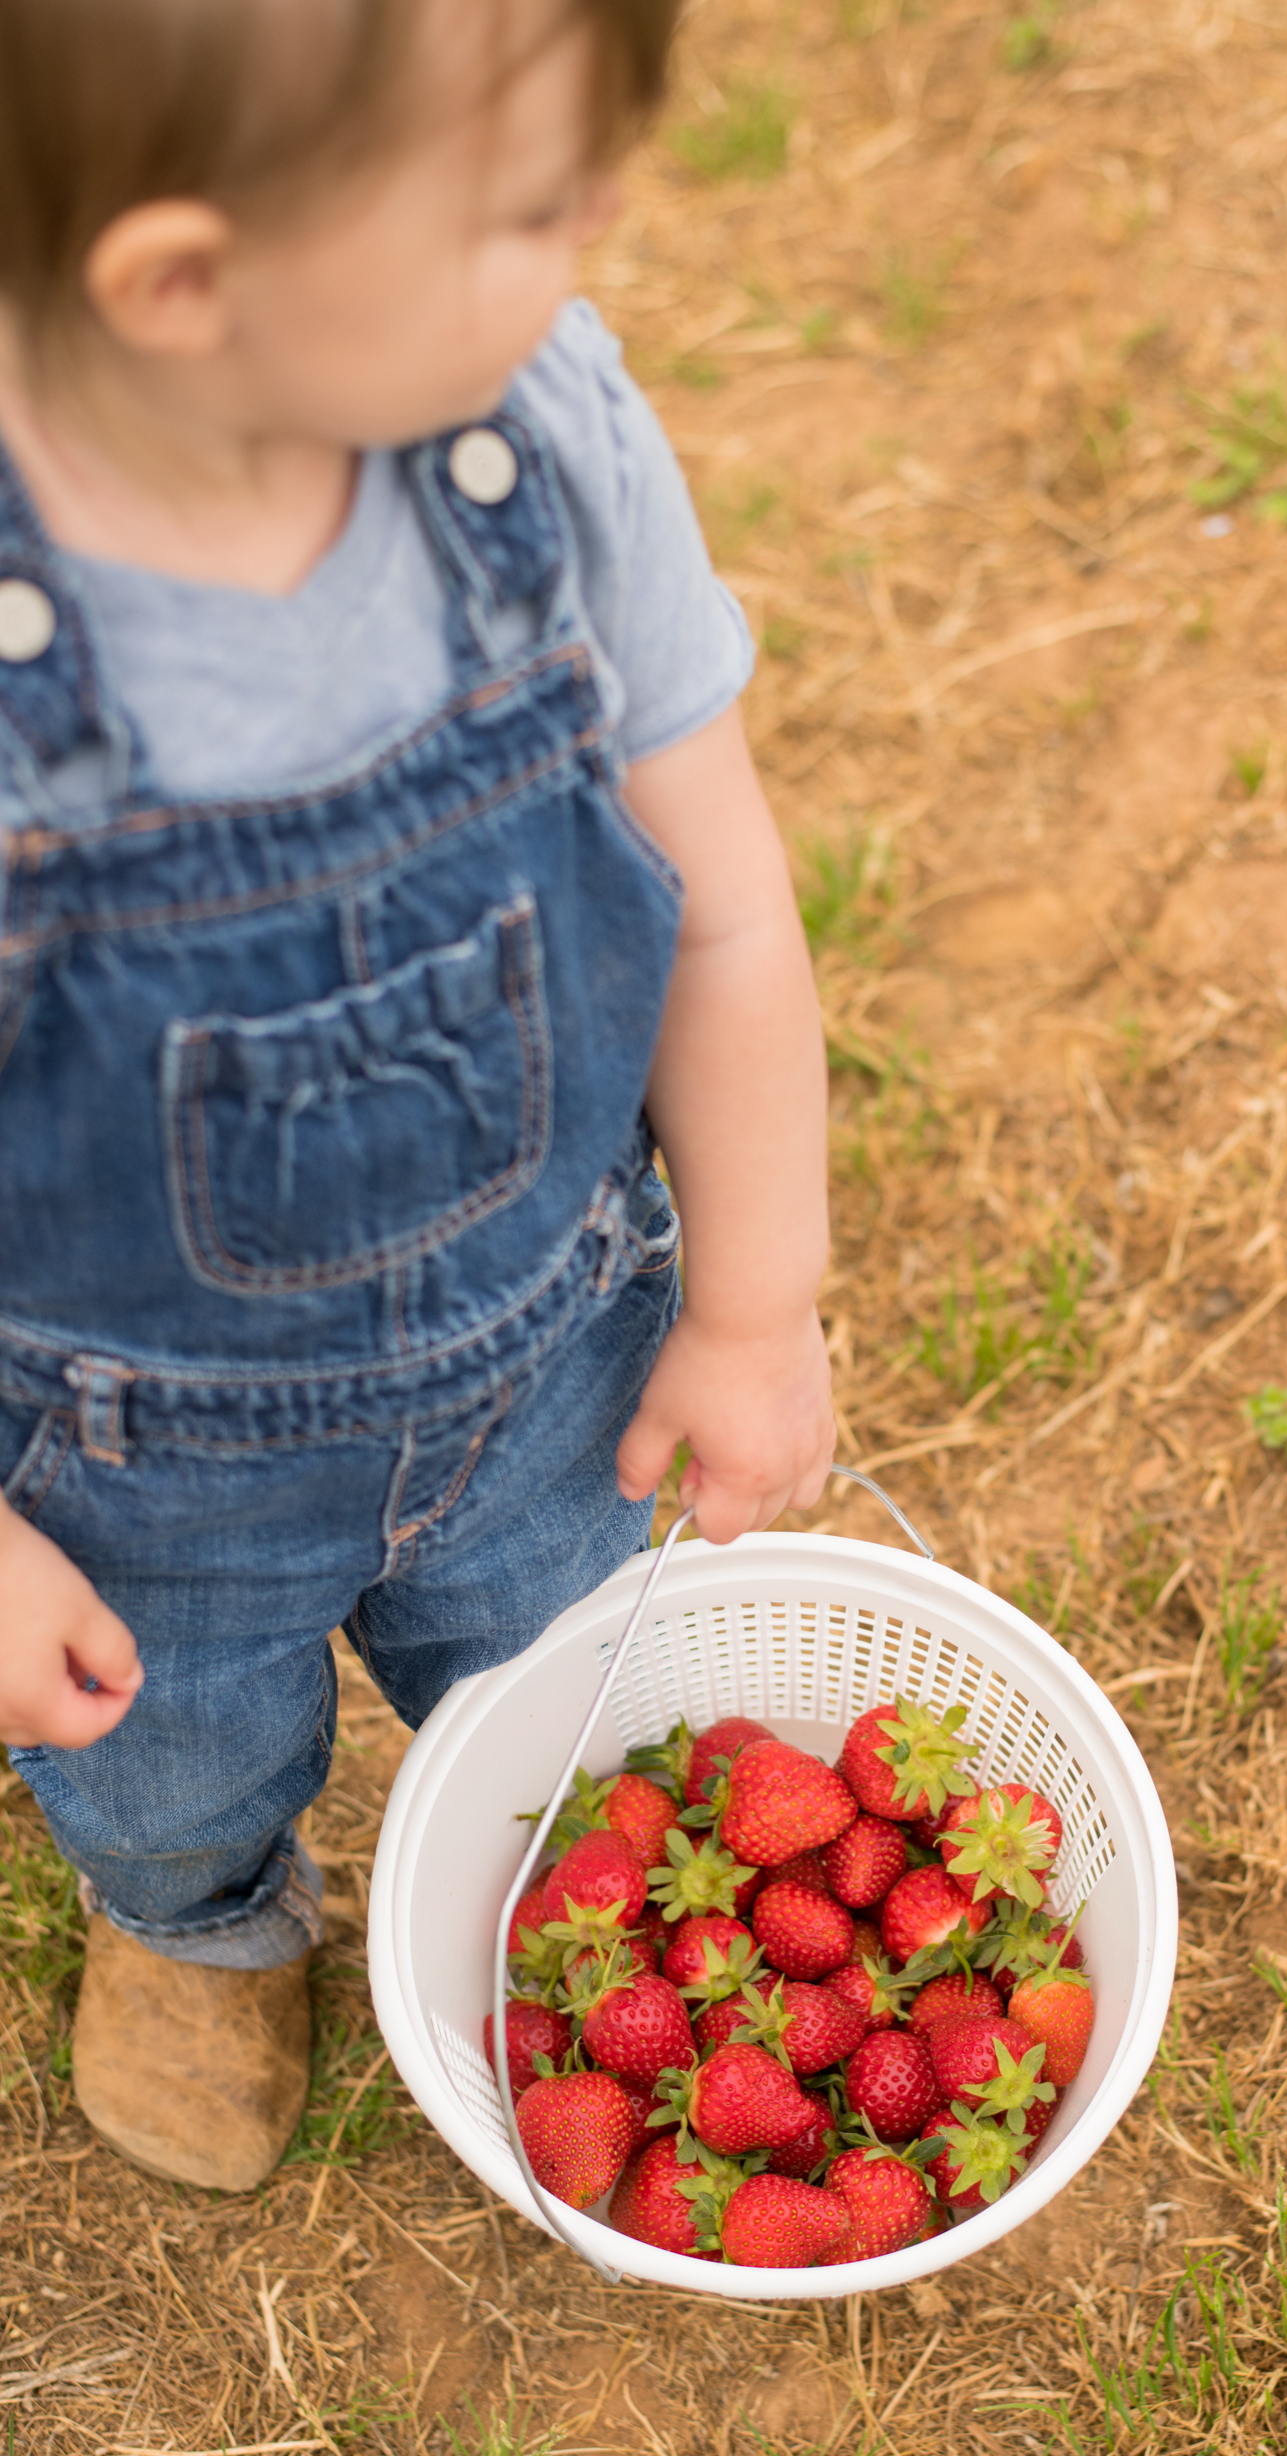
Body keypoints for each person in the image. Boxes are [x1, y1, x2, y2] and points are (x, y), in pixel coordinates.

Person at [0, 0, 834, 2190]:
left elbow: (723, 905)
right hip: (122, 1475)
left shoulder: (534, 446)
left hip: (554, 1341)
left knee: (571, 1699)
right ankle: (192, 1923)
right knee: (170, 1764)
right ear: (184, 282)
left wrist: (752, 1305)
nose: (604, 230)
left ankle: (567, 1892)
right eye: (524, 208)